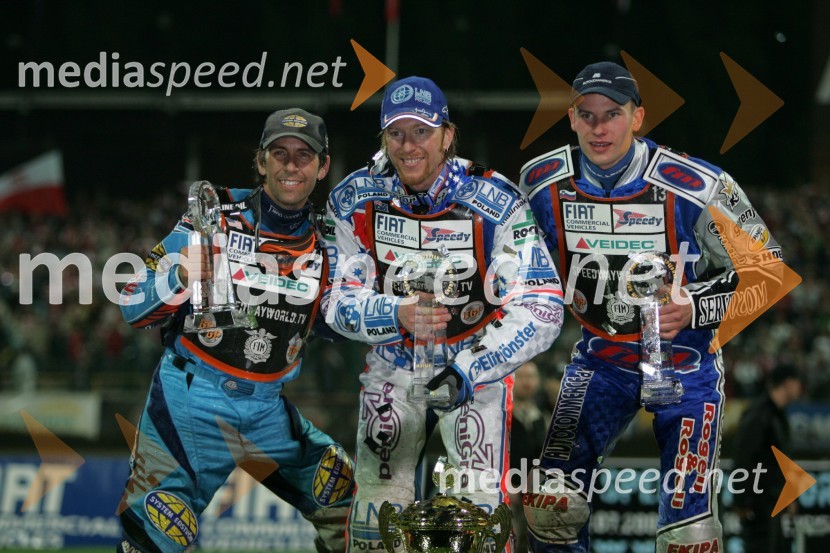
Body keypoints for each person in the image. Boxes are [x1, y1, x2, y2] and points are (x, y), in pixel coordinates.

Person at [518, 61, 784, 553]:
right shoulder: (540, 182)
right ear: (571, 119)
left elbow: (769, 270)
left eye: (612, 114)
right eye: (587, 115)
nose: (599, 128)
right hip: (599, 359)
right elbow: (515, 266)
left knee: (690, 535)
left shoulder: (700, 184)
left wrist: (698, 304)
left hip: (686, 363)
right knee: (550, 503)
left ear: (638, 117)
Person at [324, 76, 565, 552]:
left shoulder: (496, 200)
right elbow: (333, 300)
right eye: (396, 133)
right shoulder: (353, 198)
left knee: (474, 519)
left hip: (472, 367)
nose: (408, 145)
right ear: (383, 138)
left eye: (422, 132)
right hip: (392, 364)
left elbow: (543, 305)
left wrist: (471, 367)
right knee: (376, 517)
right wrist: (394, 314)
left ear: (448, 135)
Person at [117, 108, 354, 553]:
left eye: (304, 156)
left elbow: (339, 323)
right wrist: (179, 277)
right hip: (191, 400)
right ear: (261, 161)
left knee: (341, 493)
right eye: (279, 153)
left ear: (322, 167)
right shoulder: (213, 217)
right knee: (154, 533)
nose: (291, 165)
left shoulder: (330, 241)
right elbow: (131, 302)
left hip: (267, 410)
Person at [733, 363, 803, 553]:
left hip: (774, 501)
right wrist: (742, 501)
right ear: (787, 383)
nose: (800, 388)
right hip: (758, 503)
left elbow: (782, 460)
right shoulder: (759, 414)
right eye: (797, 382)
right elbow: (743, 457)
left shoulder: (778, 416)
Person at [508, 361, 551, 553]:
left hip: (534, 495)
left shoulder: (541, 418)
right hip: (507, 492)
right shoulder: (504, 415)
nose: (527, 382)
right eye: (522, 376)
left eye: (531, 376)